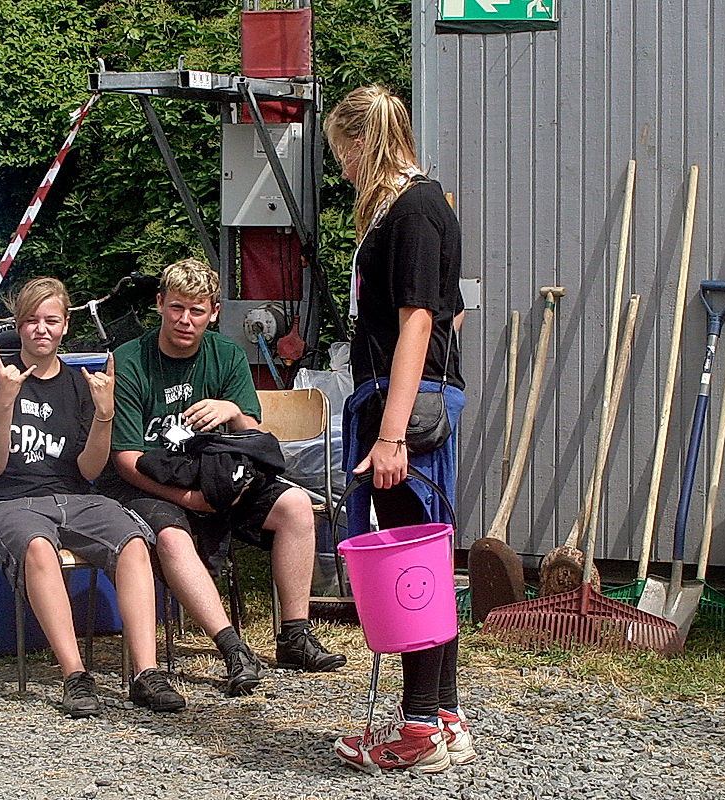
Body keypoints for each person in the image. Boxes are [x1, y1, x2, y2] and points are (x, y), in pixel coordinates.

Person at [100, 257, 346, 696]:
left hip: (218, 473)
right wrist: (189, 499)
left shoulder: (227, 354)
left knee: (294, 506)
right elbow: (125, 459)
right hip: (152, 482)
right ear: (159, 304)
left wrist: (232, 410)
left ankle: (294, 634)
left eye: (197, 310)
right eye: (176, 308)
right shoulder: (129, 361)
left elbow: (253, 439)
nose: (184, 320)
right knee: (173, 538)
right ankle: (232, 647)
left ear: (213, 312)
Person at [324, 85, 476, 772]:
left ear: (362, 142)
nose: (342, 169)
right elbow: (453, 311)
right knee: (428, 566)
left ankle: (417, 733)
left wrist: (391, 434)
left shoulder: (413, 207)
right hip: (404, 397)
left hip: (402, 409)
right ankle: (442, 715)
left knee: (408, 568)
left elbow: (420, 318)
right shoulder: (417, 207)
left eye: (341, 153)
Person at [0, 277, 185, 718]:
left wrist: (104, 415)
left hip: (77, 498)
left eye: (51, 320)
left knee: (134, 542)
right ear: (18, 326)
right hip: (11, 503)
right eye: (31, 321)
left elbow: (90, 470)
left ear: (64, 326)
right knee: (39, 549)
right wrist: (6, 402)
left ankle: (146, 674)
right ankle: (75, 676)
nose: (41, 329)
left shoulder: (82, 385)